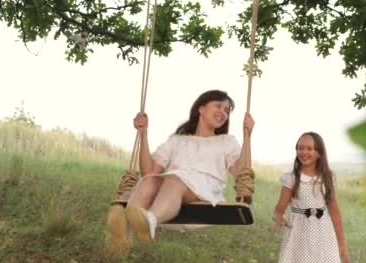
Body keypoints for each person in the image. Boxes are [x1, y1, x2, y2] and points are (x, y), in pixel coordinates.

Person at [108, 89, 255, 253]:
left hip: (204, 191)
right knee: (149, 181)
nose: (223, 112)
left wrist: (247, 136)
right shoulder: (177, 140)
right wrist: (143, 133)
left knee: (174, 179)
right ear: (201, 108)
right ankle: (123, 236)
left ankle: (150, 219)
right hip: (171, 188)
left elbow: (241, 171)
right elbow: (149, 171)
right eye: (218, 106)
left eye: (227, 110)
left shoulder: (226, 142)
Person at [273, 132, 351, 263]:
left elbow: (335, 213)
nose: (304, 152)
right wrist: (279, 217)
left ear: (318, 153)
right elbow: (279, 208)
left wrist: (342, 245)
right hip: (301, 234)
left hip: (324, 234)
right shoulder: (292, 178)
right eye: (300, 147)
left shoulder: (327, 177)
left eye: (309, 148)